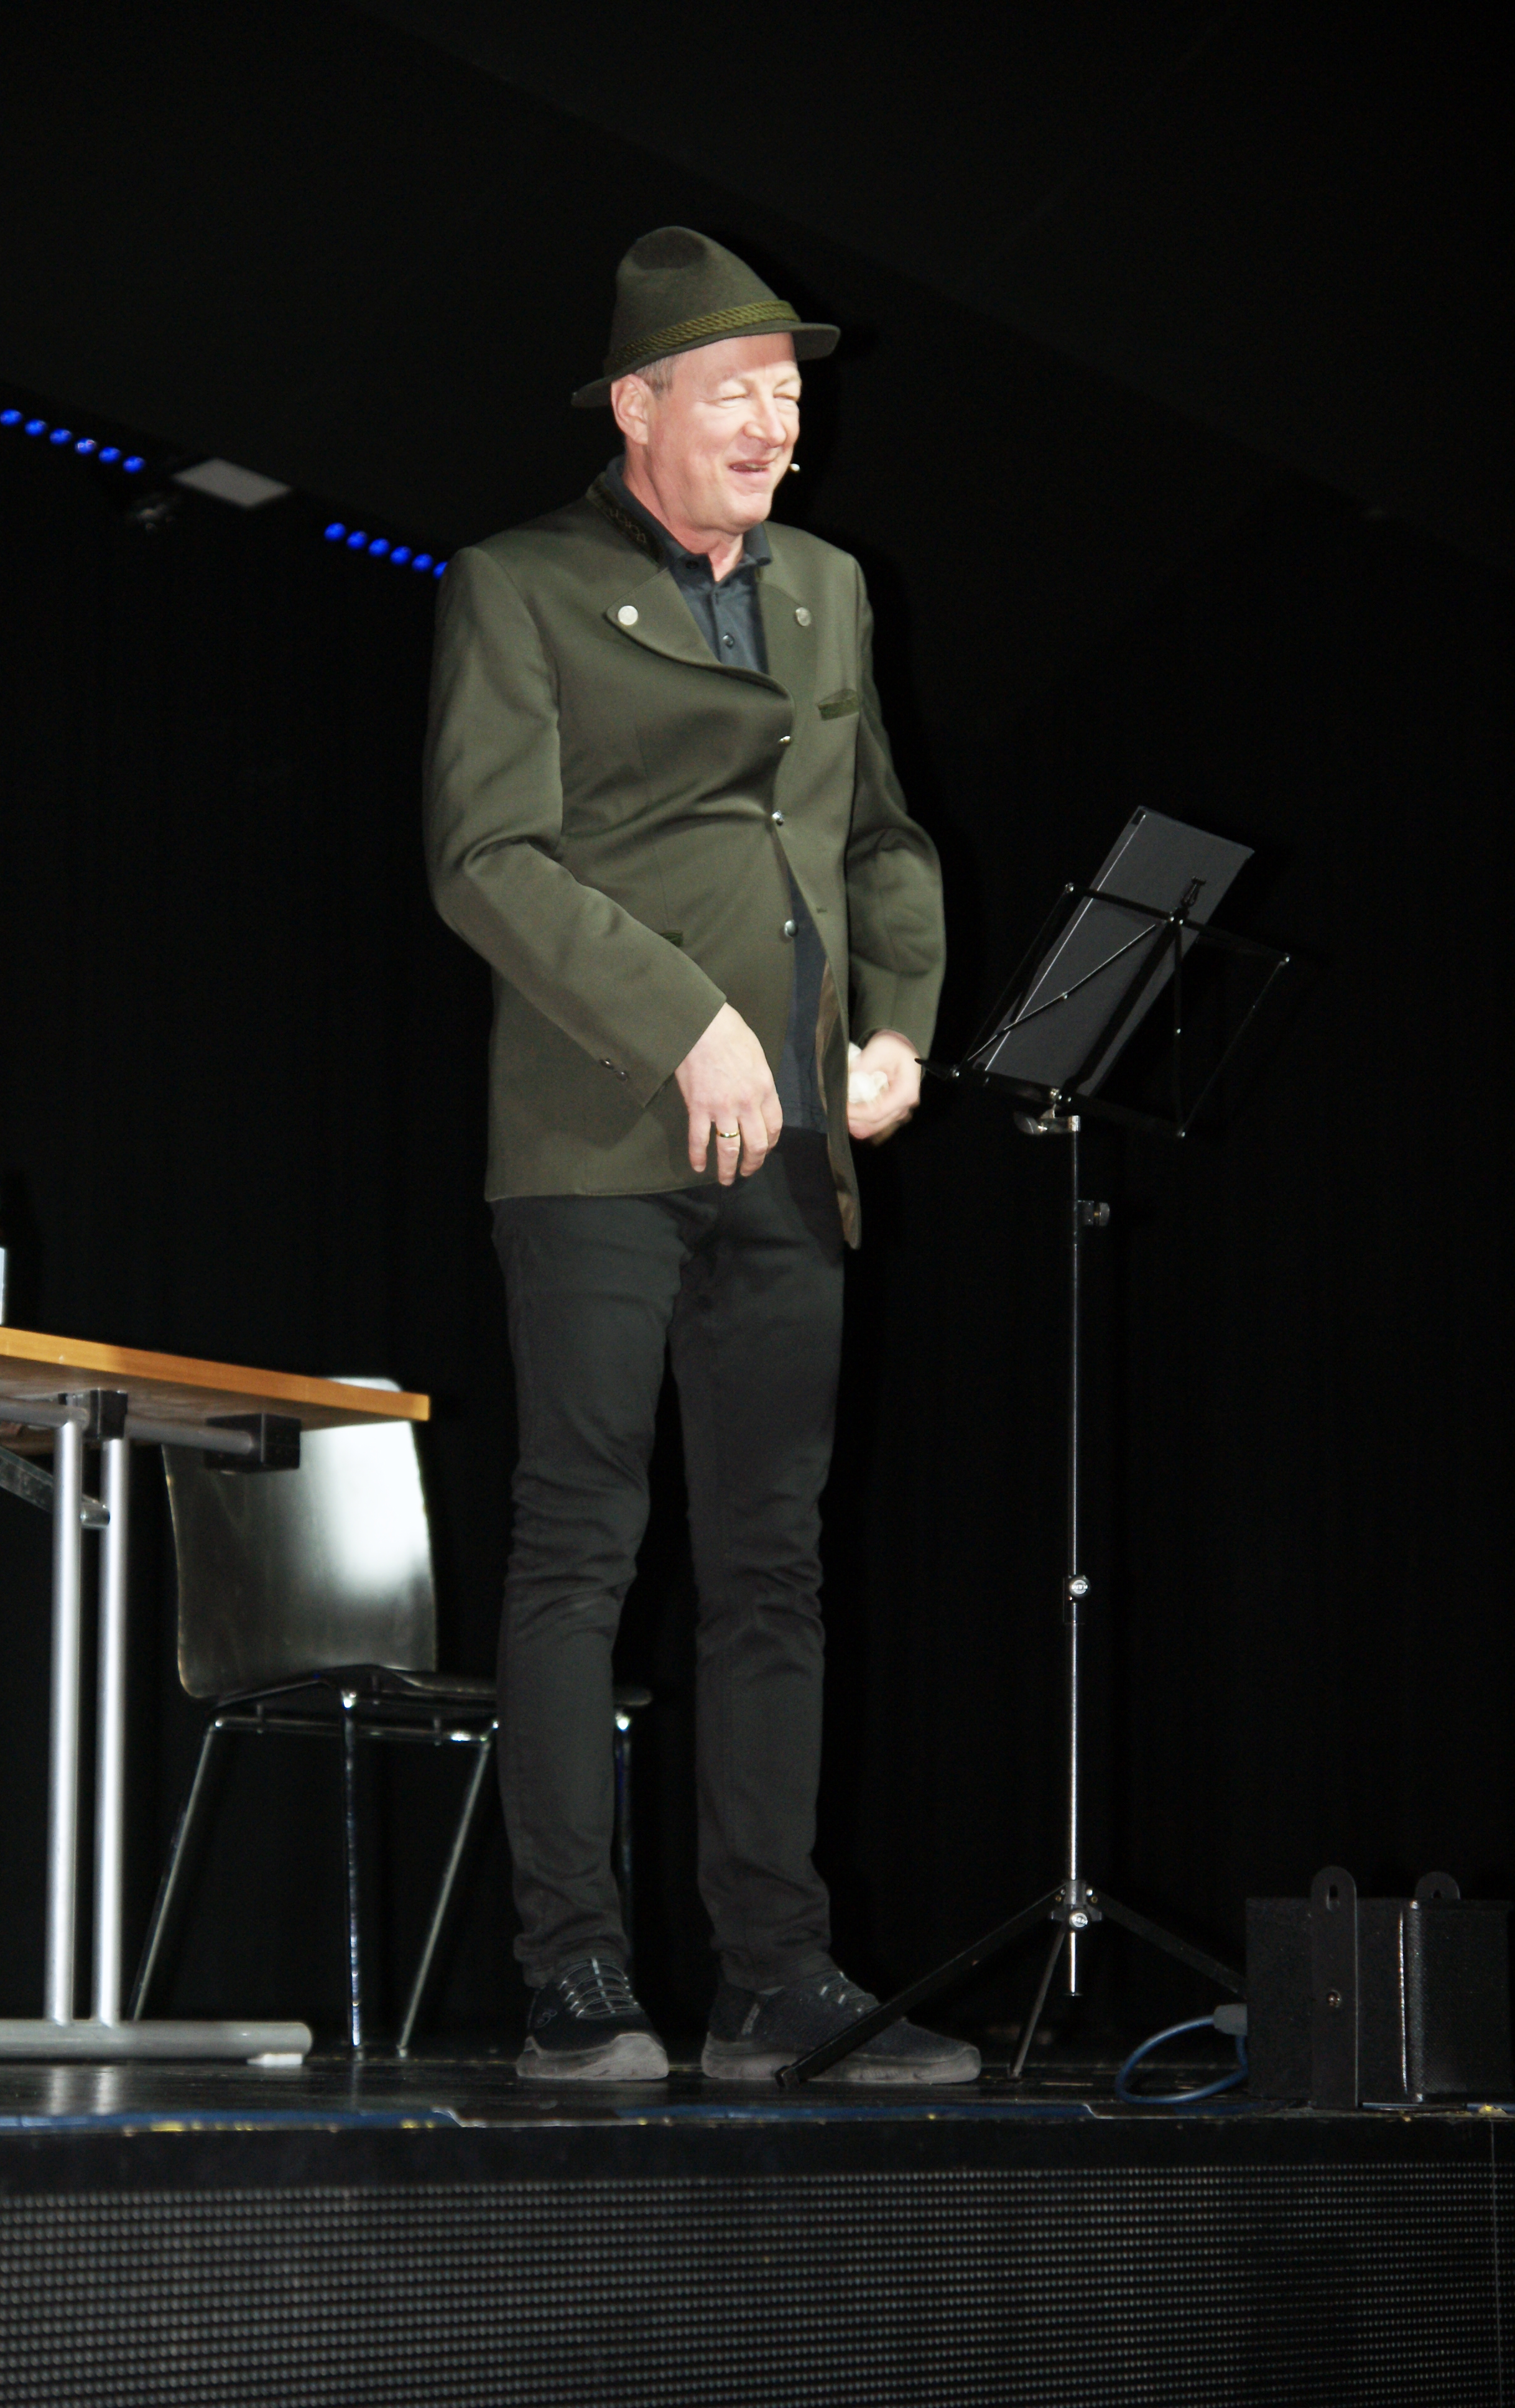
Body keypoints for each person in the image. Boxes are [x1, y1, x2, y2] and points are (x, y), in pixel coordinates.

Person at [425, 226, 976, 2085]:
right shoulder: (520, 586)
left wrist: (894, 1026)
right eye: (735, 393)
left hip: (798, 1150)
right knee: (581, 1548)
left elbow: (880, 840)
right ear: (637, 407)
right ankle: (573, 1974)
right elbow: (485, 859)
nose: (774, 425)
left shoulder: (829, 587)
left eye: (790, 395)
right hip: (599, 1136)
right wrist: (687, 1021)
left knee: (771, 1566)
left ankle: (773, 1976)